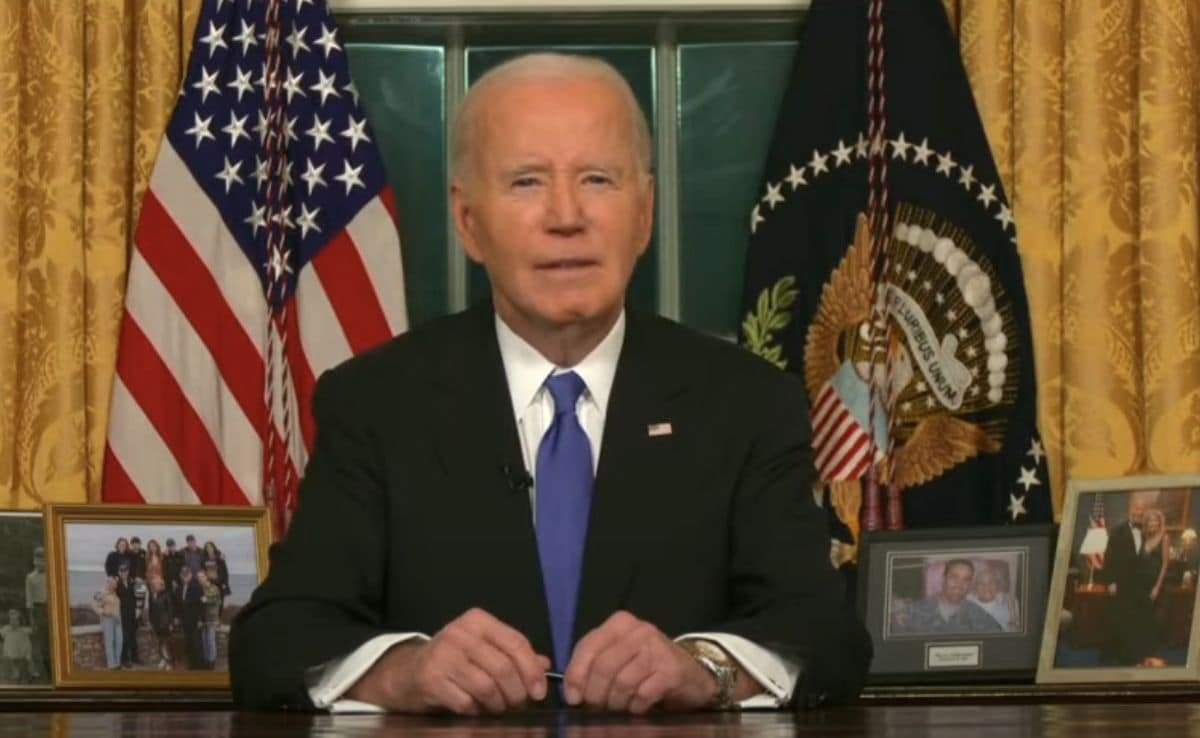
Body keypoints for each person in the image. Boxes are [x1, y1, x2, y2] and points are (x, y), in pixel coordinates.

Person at [230, 52, 870, 714]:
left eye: (597, 179)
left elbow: (826, 634)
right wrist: (403, 671)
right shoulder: (375, 403)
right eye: (527, 182)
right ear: (468, 222)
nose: (566, 215)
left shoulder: (747, 403)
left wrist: (706, 669)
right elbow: (275, 639)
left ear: (645, 213)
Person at [1098, 493, 1151, 665]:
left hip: (1138, 585)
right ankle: (1108, 655)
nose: (1139, 512)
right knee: (1117, 619)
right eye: (1137, 508)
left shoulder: (1146, 532)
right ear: (1130, 509)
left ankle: (1129, 656)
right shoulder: (1117, 530)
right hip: (1120, 583)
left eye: (1142, 509)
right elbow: (1109, 557)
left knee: (1134, 620)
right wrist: (1110, 582)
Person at [893, 559, 1002, 636]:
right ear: (944, 578)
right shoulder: (916, 610)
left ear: (970, 585)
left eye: (966, 579)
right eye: (954, 577)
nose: (959, 584)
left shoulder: (979, 616)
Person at [967, 564, 1020, 632]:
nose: (986, 586)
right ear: (975, 587)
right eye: (981, 582)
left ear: (997, 585)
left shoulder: (1010, 604)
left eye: (991, 582)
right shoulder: (967, 603)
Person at [24, 546, 48, 680]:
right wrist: (32, 620)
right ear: (34, 560)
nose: (40, 562)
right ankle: (49, 670)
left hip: (52, 609)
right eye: (38, 559)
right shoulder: (30, 577)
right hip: (39, 610)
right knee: (43, 643)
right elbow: (29, 601)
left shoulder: (52, 574)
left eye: (43, 559)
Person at [144, 575, 175, 670]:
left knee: (167, 643)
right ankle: (163, 659)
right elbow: (151, 610)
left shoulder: (166, 595)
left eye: (156, 584)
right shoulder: (152, 595)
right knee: (160, 642)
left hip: (165, 623)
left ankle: (169, 662)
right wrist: (150, 621)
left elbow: (170, 610)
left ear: (161, 585)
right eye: (153, 584)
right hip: (156, 623)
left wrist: (171, 623)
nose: (154, 585)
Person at [92, 578, 122, 670]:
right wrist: (103, 612)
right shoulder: (102, 593)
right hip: (108, 620)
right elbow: (94, 605)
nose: (115, 585)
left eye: (115, 584)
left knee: (119, 642)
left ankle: (117, 663)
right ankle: (112, 665)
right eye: (113, 584)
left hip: (117, 620)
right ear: (109, 584)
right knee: (109, 642)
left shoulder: (115, 594)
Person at [178, 567, 205, 670]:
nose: (184, 577)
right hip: (185, 620)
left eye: (186, 575)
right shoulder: (181, 587)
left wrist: (201, 619)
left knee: (196, 643)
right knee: (188, 642)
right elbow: (179, 604)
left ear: (190, 575)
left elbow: (202, 604)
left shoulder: (197, 587)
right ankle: (191, 664)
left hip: (195, 620)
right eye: (183, 575)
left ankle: (198, 665)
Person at [115, 563, 139, 667]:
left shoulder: (131, 582)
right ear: (119, 572)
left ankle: (135, 657)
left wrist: (137, 609)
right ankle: (124, 659)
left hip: (132, 613)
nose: (124, 573)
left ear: (128, 572)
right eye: (122, 571)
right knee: (124, 637)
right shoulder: (116, 584)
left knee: (133, 636)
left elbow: (136, 596)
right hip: (122, 614)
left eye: (125, 571)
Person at [0, 609, 33, 683]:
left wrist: (31, 617)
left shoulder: (23, 629)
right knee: (13, 660)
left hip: (22, 648)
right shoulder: (7, 629)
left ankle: (28, 673)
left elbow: (32, 630)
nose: (13, 623)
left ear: (19, 621)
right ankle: (16, 672)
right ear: (9, 621)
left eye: (16, 620)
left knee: (24, 661)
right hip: (12, 648)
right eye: (11, 620)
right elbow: (1, 633)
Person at [198, 571, 222, 670]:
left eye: (201, 577)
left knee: (210, 640)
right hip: (203, 618)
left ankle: (212, 662)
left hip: (211, 617)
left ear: (206, 577)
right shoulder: (199, 589)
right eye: (198, 578)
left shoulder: (214, 588)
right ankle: (206, 660)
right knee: (204, 640)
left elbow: (218, 600)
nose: (200, 579)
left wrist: (206, 599)